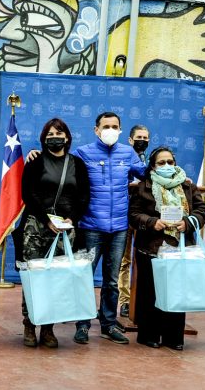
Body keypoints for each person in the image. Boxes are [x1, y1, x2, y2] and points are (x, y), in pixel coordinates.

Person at [71, 112, 146, 345]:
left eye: (115, 126)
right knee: (85, 277)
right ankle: (82, 325)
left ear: (121, 130)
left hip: (119, 227)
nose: (110, 130)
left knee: (111, 280)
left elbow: (147, 173)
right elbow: (62, 166)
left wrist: (173, 172)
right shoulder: (83, 152)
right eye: (106, 126)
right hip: (91, 225)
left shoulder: (128, 152)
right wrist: (37, 154)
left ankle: (109, 324)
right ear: (96, 130)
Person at [128, 147, 205, 350]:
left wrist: (188, 223)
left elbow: (202, 210)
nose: (166, 166)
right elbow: (134, 214)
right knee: (150, 293)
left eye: (170, 162)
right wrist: (152, 221)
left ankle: (174, 337)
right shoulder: (143, 187)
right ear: (153, 166)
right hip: (151, 247)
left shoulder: (187, 185)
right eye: (161, 163)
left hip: (179, 248)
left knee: (176, 292)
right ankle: (149, 335)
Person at [19, 118, 89, 348]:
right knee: (33, 276)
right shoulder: (35, 162)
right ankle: (30, 325)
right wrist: (45, 218)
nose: (54, 137)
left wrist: (72, 219)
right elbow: (27, 194)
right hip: (37, 226)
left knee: (55, 279)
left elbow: (83, 197)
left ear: (67, 137)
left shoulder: (77, 164)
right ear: (43, 139)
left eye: (58, 133)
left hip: (64, 229)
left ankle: (48, 328)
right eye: (49, 134)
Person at [117, 124, 150, 319]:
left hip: (144, 216)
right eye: (139, 137)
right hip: (124, 213)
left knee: (143, 259)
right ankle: (125, 301)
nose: (143, 140)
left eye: (146, 138)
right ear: (130, 140)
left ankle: (142, 299)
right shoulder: (122, 156)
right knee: (125, 260)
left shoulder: (150, 160)